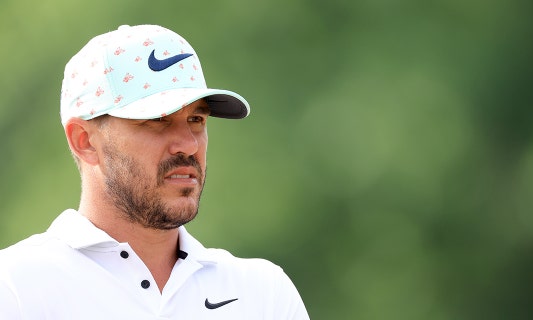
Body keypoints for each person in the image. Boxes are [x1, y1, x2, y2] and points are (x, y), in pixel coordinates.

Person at [0, 24, 309, 319]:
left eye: (196, 119)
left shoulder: (263, 294)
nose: (188, 145)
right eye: (157, 120)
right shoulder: (16, 288)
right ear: (85, 141)